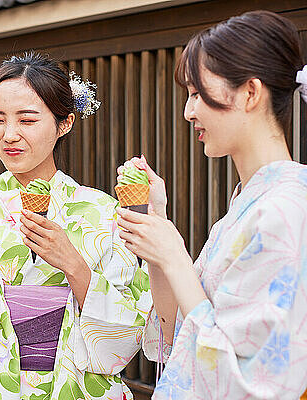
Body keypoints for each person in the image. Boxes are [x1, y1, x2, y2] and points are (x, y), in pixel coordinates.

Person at [0, 52, 152, 399]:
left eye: (26, 120)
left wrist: (71, 262)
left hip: (73, 386)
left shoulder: (102, 210)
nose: (9, 135)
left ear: (64, 123)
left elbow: (127, 324)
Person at [115, 10, 307, 399]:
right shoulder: (249, 203)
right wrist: (158, 231)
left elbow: (248, 384)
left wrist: (175, 258)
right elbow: (176, 334)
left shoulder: (287, 209)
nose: (188, 112)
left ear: (250, 93)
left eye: (198, 94)